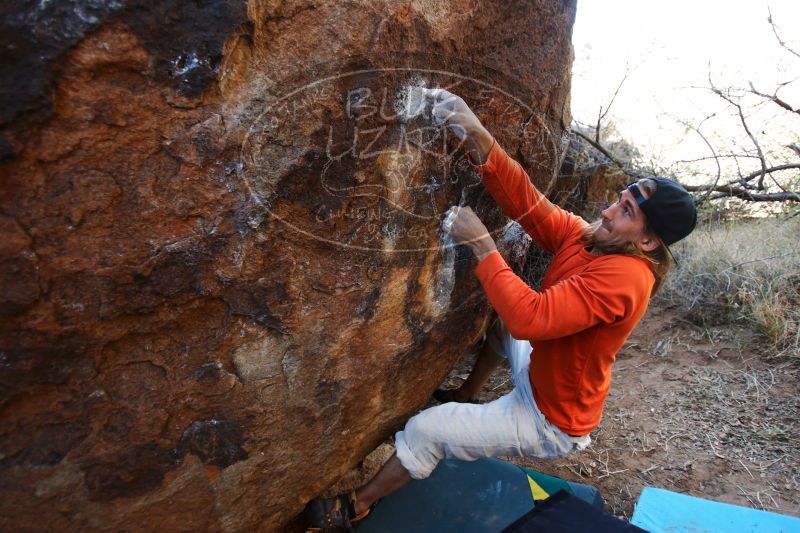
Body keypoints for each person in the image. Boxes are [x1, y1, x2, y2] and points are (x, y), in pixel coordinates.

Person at [306, 89, 697, 529]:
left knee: (428, 430)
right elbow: (533, 208)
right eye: (620, 198)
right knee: (503, 322)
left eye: (626, 211)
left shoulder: (626, 278)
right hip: (540, 372)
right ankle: (470, 393)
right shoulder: (596, 239)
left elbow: (529, 317)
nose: (608, 212)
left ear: (647, 242)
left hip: (549, 418)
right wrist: (481, 140)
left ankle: (356, 505)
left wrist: (482, 246)